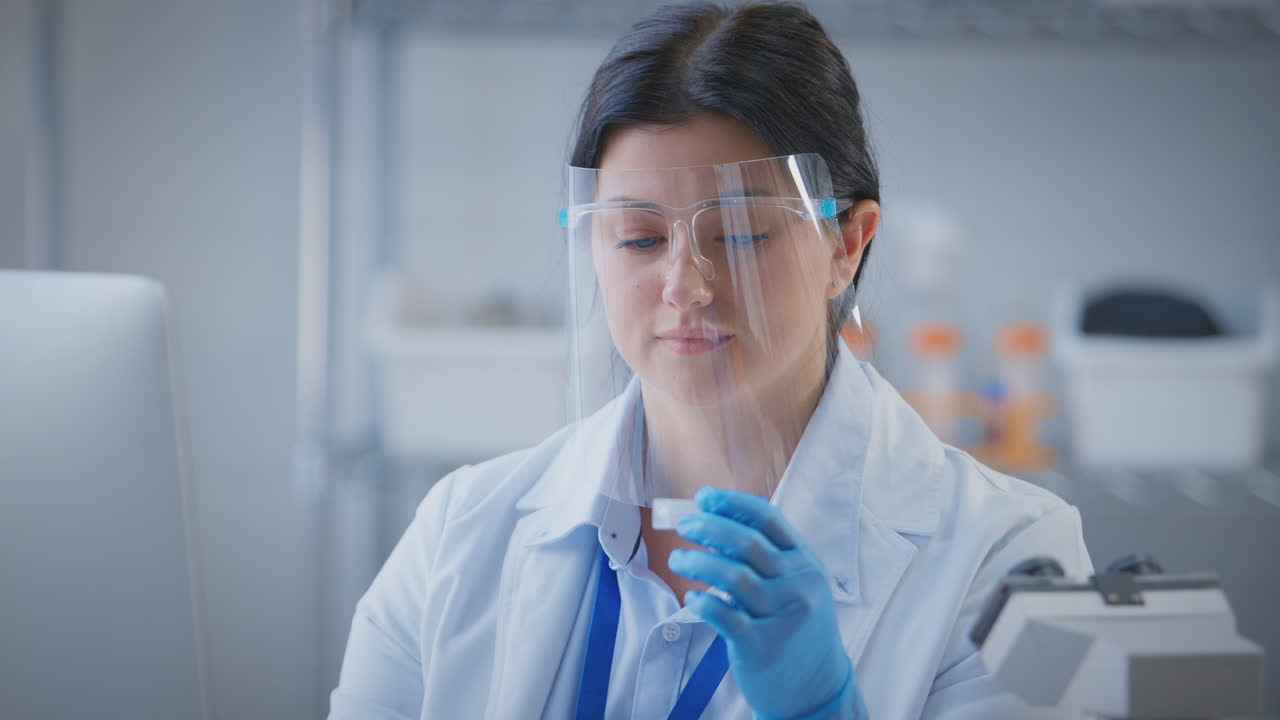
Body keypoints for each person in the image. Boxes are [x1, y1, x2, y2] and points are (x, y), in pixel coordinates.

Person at [329, 3, 1092, 719]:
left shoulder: (1014, 559)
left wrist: (820, 708)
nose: (685, 285)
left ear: (846, 245)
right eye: (637, 237)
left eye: (742, 233)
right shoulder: (459, 535)